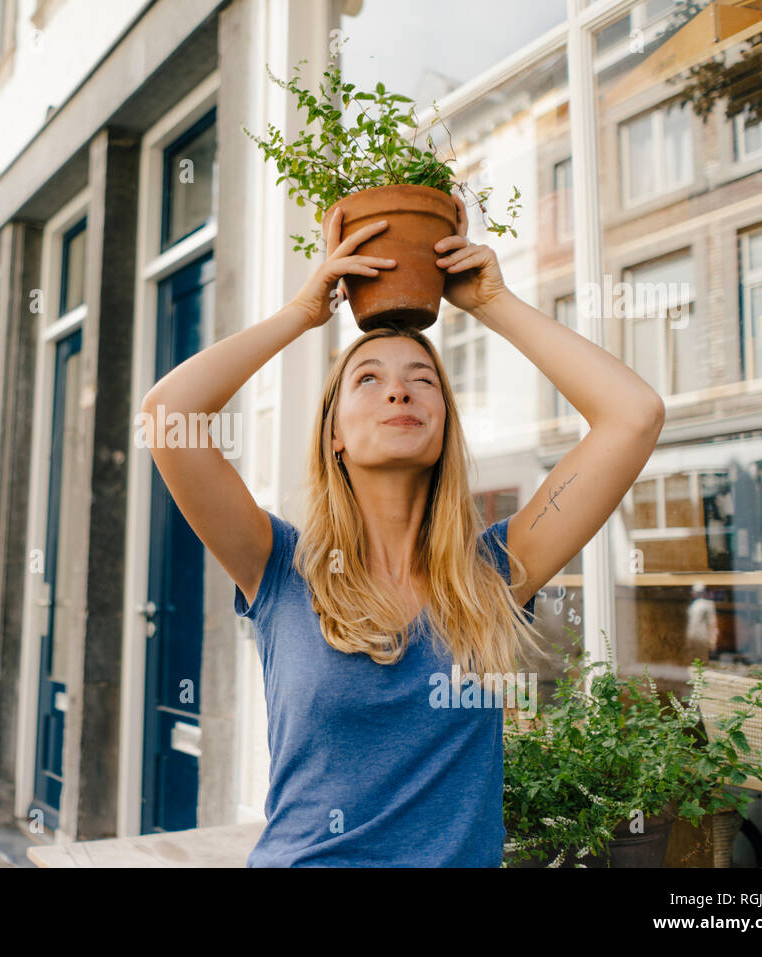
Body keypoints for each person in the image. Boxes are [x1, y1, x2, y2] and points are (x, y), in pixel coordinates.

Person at [140, 195, 665, 867]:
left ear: (445, 424)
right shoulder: (279, 566)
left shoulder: (498, 571)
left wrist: (491, 302)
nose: (398, 392)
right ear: (334, 433)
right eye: (368, 378)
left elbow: (634, 414)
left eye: (423, 380)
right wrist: (302, 313)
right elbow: (168, 414)